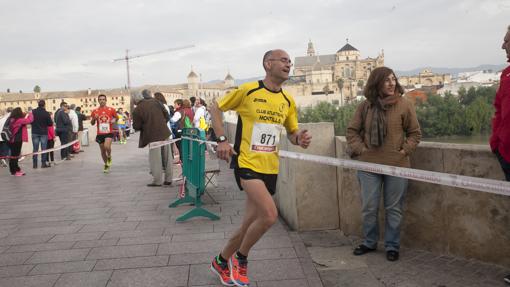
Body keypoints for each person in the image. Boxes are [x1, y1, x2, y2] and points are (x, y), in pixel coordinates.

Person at [209, 49, 312, 286]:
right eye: (284, 60)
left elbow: (292, 132)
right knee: (269, 214)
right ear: (268, 64)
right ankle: (240, 259)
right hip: (246, 163)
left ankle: (221, 261)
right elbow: (216, 107)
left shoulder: (287, 100)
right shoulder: (248, 90)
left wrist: (300, 139)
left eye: (290, 61)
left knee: (248, 224)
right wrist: (222, 139)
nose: (289, 64)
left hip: (270, 168)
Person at [345, 66, 421, 262]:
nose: (392, 83)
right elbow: (352, 131)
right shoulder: (365, 106)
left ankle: (392, 246)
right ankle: (369, 242)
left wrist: (404, 151)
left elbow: (415, 133)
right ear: (376, 82)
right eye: (387, 80)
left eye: (393, 79)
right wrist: (361, 150)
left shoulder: (404, 104)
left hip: (397, 165)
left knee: (394, 208)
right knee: (369, 207)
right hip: (369, 166)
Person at [489, 25, 510, 285]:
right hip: (506, 154)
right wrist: (496, 143)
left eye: (506, 41)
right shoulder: (506, 75)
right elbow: (498, 111)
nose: (503, 46)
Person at [132, 90, 172, 187]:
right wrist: (161, 123)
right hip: (164, 132)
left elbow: (136, 126)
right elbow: (166, 114)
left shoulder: (137, 110)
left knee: (156, 159)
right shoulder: (155, 101)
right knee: (167, 157)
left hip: (152, 136)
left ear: (135, 100)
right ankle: (168, 179)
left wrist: (145, 126)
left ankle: (157, 181)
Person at [90, 94, 117, 173]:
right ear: (98, 101)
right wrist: (94, 118)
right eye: (100, 99)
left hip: (108, 132)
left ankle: (109, 156)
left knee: (106, 146)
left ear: (106, 100)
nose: (102, 101)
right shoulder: (95, 111)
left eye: (103, 99)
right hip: (100, 133)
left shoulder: (111, 109)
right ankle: (106, 165)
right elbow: (92, 123)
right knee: (102, 151)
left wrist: (113, 120)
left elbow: (116, 118)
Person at [8, 107, 33, 176]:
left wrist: (25, 113)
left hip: (12, 139)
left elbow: (24, 117)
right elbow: (30, 120)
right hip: (17, 140)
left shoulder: (12, 119)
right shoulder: (19, 120)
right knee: (15, 156)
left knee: (14, 156)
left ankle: (15, 169)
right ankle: (15, 171)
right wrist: (30, 113)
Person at [31, 100, 53, 168]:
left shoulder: (33, 112)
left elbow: (30, 121)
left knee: (35, 149)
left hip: (34, 132)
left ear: (38, 104)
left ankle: (35, 164)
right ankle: (43, 164)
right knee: (44, 149)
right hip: (43, 133)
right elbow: (50, 124)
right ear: (44, 105)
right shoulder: (46, 113)